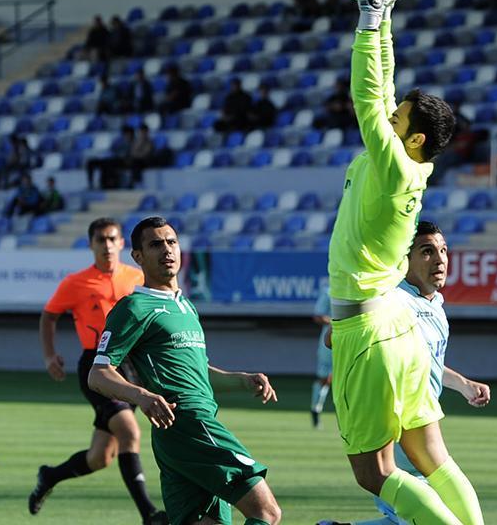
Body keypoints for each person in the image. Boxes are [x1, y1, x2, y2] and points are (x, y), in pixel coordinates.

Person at [328, 0, 477, 525]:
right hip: (399, 324)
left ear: (414, 139)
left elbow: (367, 95)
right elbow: (385, 92)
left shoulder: (392, 165)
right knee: (433, 457)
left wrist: (367, 19)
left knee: (376, 472)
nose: (389, 117)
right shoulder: (412, 163)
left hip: (367, 330)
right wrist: (386, 14)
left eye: (401, 119)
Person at [89, 216, 282, 525]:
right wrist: (141, 396)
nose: (167, 249)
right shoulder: (134, 308)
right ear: (138, 256)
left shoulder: (186, 306)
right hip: (188, 424)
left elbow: (198, 372)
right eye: (155, 244)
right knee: (266, 512)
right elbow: (98, 373)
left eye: (172, 242)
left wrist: (242, 381)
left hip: (188, 430)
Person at [318, 221, 491, 525]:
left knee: (420, 518)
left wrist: (462, 384)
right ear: (404, 260)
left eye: (443, 250)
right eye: (427, 252)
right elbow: (334, 335)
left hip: (424, 422)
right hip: (397, 428)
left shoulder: (436, 305)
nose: (439, 259)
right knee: (430, 516)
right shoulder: (392, 298)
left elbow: (423, 362)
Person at [28, 218, 165, 524]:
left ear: (121, 244)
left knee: (100, 457)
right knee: (130, 431)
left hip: (133, 364)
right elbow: (49, 316)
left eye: (112, 239)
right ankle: (149, 514)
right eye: (100, 240)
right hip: (98, 366)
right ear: (90, 245)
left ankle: (50, 476)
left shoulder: (137, 278)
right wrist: (49, 355)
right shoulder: (75, 282)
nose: (107, 245)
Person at [310, 283, 332, 429]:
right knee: (325, 379)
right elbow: (318, 316)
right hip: (329, 341)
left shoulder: (359, 287)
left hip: (352, 340)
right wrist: (337, 322)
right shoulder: (329, 291)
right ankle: (316, 409)